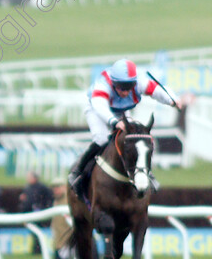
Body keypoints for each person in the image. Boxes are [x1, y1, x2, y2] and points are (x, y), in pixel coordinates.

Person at [68, 58, 181, 199]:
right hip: (96, 109)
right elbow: (100, 106)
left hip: (121, 109)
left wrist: (172, 100)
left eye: (129, 86)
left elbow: (156, 90)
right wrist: (114, 121)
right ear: (114, 83)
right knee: (102, 138)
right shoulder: (103, 85)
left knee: (132, 138)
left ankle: (146, 174)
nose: (126, 91)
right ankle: (78, 172)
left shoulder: (139, 82)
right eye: (122, 87)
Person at [19, 171, 53, 254]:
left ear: (34, 178)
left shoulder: (42, 187)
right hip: (30, 213)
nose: (27, 179)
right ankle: (36, 249)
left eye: (29, 177)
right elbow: (27, 202)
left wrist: (45, 208)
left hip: (39, 213)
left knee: (37, 232)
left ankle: (38, 250)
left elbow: (50, 198)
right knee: (34, 232)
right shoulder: (28, 187)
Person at [50, 177, 74, 259]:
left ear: (64, 187)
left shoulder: (70, 200)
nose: (56, 190)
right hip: (58, 241)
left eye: (58, 187)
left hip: (69, 241)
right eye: (54, 188)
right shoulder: (56, 201)